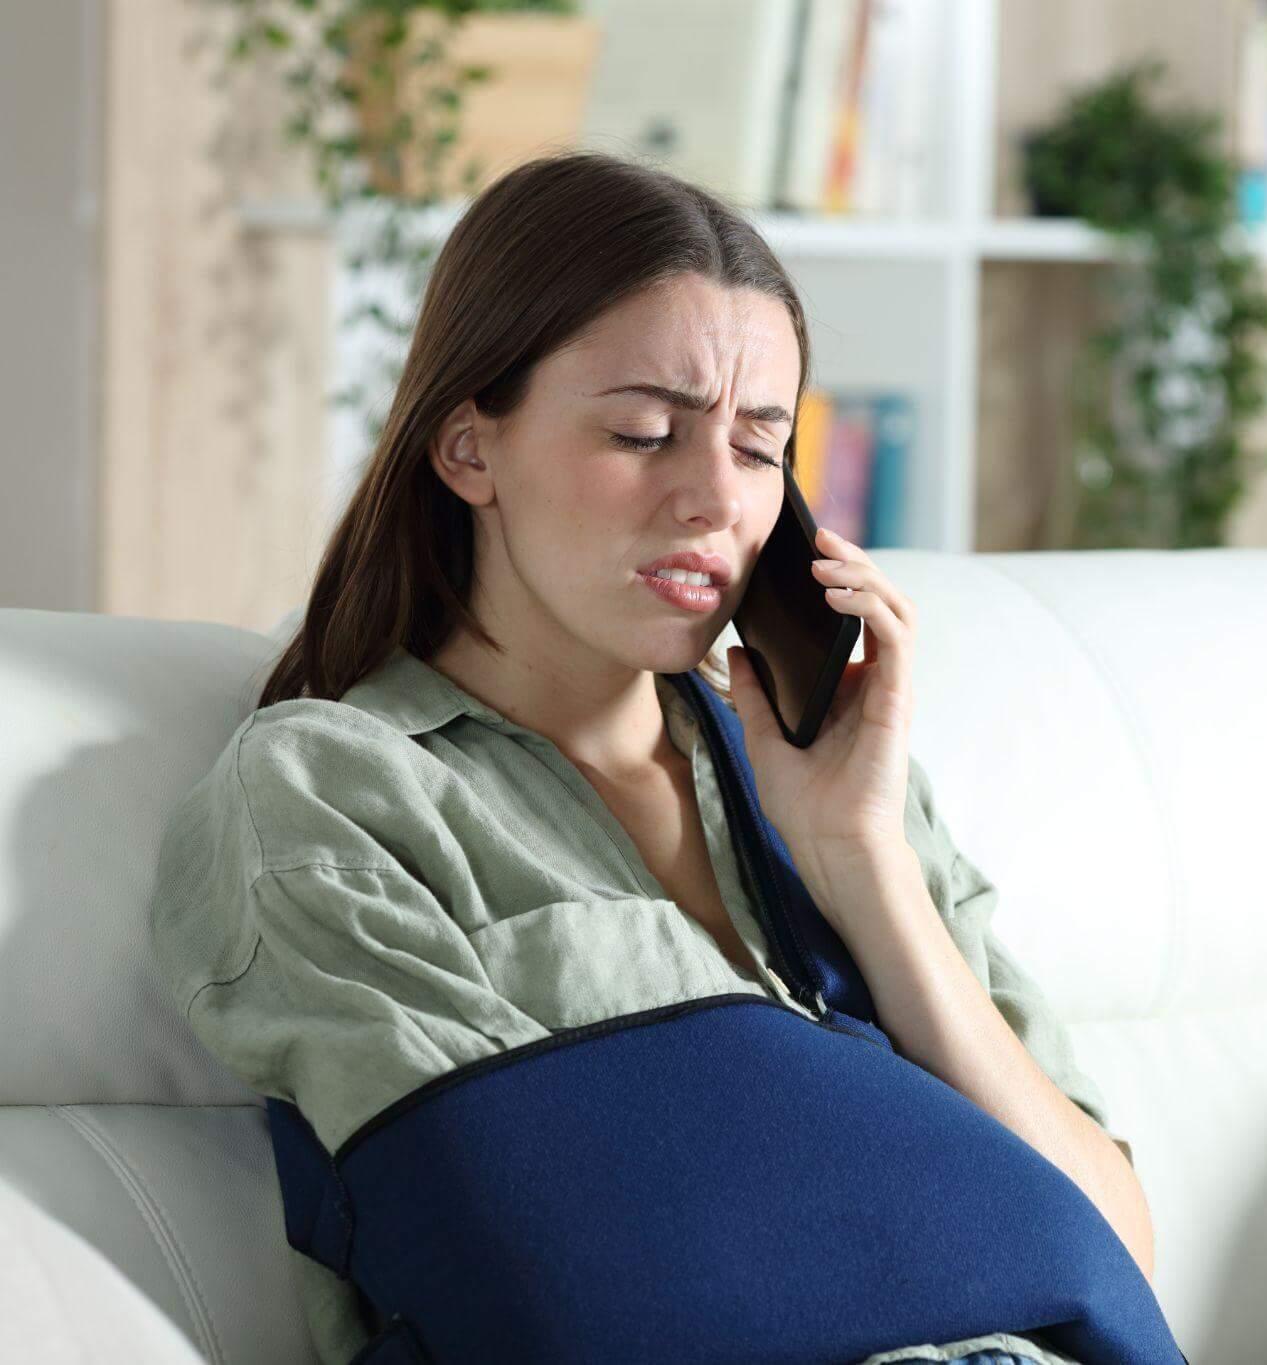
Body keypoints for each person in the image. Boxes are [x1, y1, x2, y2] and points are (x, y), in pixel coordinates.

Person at [146, 150, 1153, 1365]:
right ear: (470, 451)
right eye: (642, 433)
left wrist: (861, 867)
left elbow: (1116, 1262)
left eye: (758, 446)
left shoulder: (841, 782)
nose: (712, 501)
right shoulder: (329, 799)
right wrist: (977, 1232)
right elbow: (553, 1282)